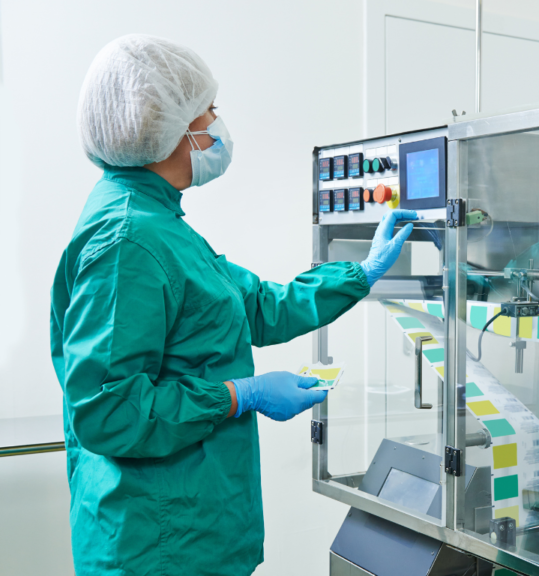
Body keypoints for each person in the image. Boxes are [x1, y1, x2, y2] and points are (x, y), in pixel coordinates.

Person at [49, 34, 418, 575]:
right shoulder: (128, 241)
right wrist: (239, 395)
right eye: (209, 111)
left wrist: (358, 274)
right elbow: (108, 412)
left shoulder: (160, 224)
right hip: (157, 546)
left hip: (193, 529)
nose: (218, 123)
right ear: (168, 127)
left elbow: (256, 307)